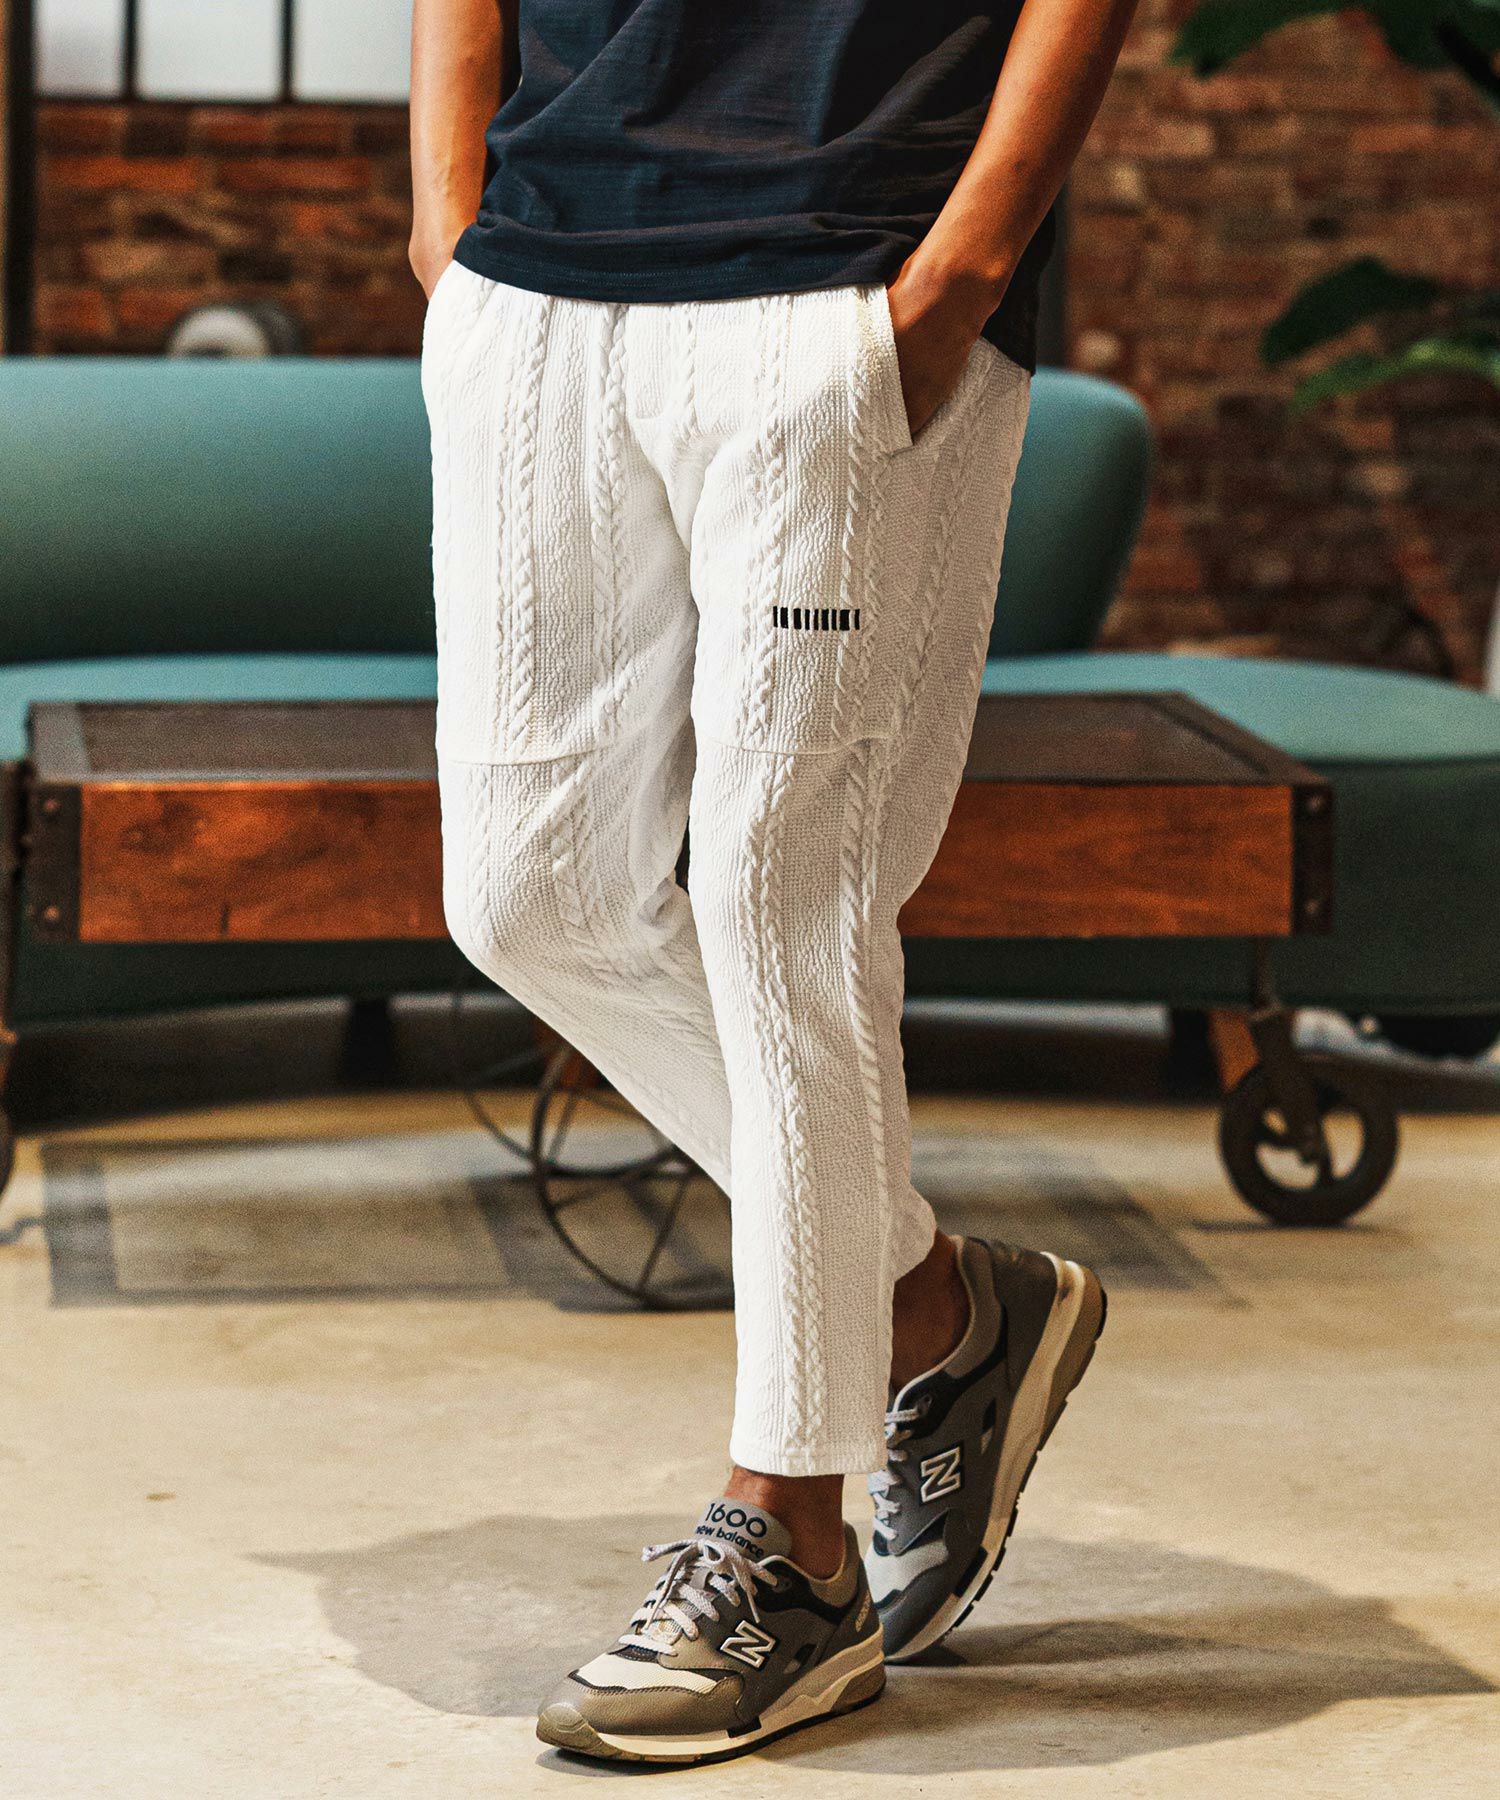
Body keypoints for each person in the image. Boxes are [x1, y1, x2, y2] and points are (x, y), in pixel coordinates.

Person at [410, 0, 1134, 1765]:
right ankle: (937, 1304)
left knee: (781, 913)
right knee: (526, 898)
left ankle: (793, 1549)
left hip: (852, 267)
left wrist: (961, 274)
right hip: (539, 282)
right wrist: (445, 235)